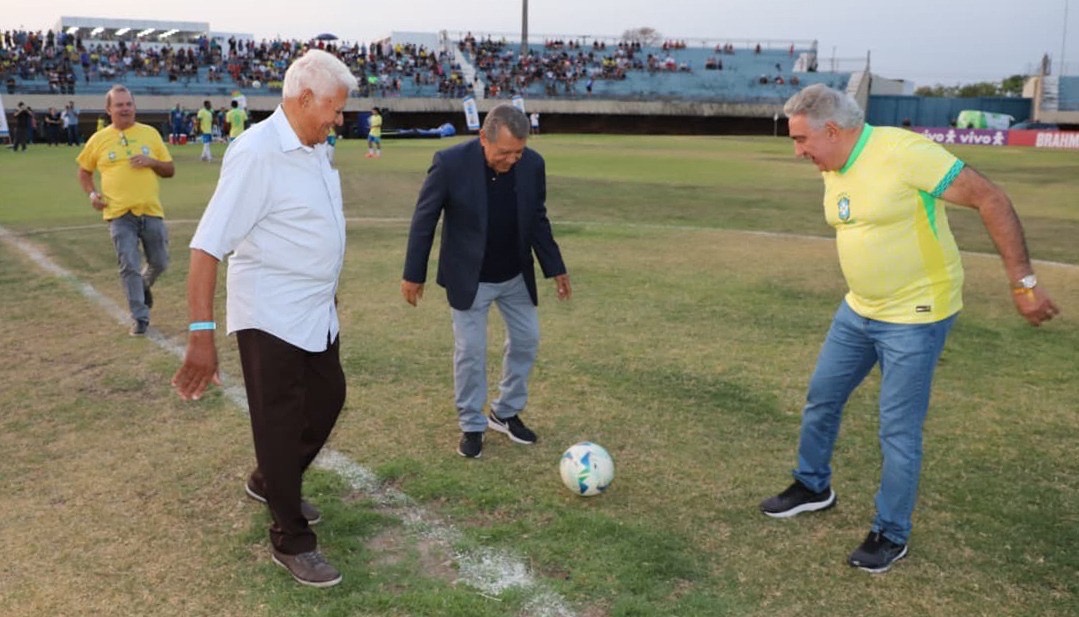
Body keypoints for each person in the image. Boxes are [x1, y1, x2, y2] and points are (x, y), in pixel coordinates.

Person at [759, 84, 1060, 573]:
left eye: (801, 140)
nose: (798, 152)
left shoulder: (903, 152)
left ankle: (890, 533)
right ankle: (812, 486)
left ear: (832, 130)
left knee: (897, 430)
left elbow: (990, 198)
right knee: (822, 397)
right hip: (859, 309)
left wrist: (1023, 282)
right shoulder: (833, 164)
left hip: (916, 316)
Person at [170, 49, 357, 589]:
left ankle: (270, 479)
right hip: (270, 312)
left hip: (314, 311)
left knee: (328, 398)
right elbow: (207, 247)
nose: (338, 120)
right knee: (278, 419)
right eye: (334, 110)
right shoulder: (256, 152)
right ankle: (292, 539)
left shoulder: (315, 146)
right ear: (303, 99)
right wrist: (201, 335)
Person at [402, 103, 572, 459]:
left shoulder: (533, 165)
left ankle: (505, 412)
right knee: (471, 352)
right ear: (483, 138)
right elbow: (424, 219)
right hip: (470, 277)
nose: (512, 160)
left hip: (514, 274)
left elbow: (537, 218)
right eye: (505, 152)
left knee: (527, 340)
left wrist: (555, 266)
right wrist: (413, 274)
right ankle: (471, 423)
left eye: (519, 152)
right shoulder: (450, 164)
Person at [76, 85, 175, 336]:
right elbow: (84, 171)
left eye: (128, 104)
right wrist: (92, 194)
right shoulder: (98, 139)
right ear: (109, 110)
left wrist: (152, 162)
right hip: (119, 215)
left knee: (160, 262)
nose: (125, 109)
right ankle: (139, 318)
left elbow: (169, 170)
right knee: (128, 264)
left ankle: (142, 286)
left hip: (151, 211)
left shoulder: (150, 134)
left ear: (134, 106)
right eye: (119, 105)